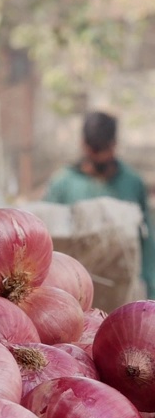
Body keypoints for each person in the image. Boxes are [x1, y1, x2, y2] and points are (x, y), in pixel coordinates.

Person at [45, 111, 155, 298]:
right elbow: (44, 238)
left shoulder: (131, 183)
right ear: (84, 144)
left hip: (120, 287)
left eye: (105, 148)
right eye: (95, 149)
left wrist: (151, 289)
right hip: (72, 289)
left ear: (114, 144)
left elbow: (146, 241)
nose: (100, 157)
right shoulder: (63, 184)